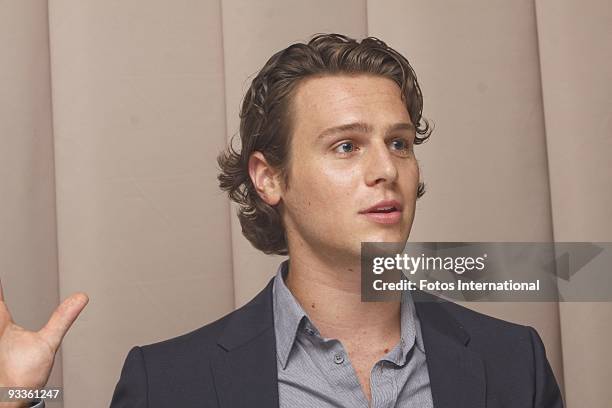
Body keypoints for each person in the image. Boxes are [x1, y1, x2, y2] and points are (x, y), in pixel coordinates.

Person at [0, 33, 563, 408]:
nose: (385, 169)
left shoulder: (514, 363)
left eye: (399, 143)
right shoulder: (170, 384)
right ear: (269, 178)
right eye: (346, 146)